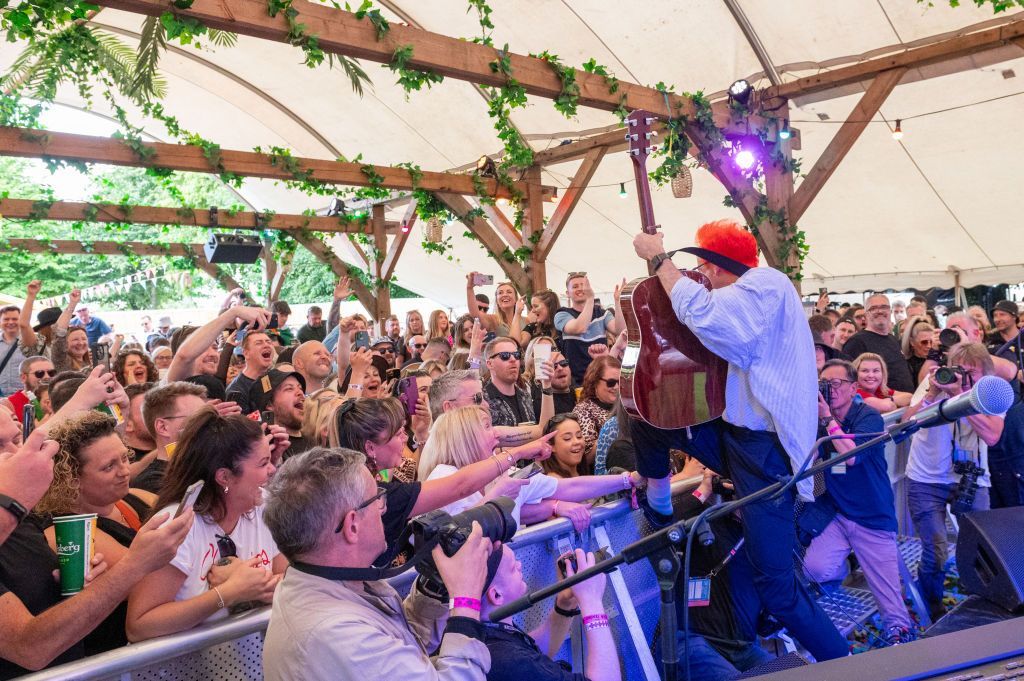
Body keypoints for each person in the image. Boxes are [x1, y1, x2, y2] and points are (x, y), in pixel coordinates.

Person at [632, 219, 849, 661]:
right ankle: (658, 507)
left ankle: (848, 663)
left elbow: (711, 318)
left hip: (765, 455)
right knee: (646, 414)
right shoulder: (756, 294)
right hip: (736, 437)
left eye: (705, 270)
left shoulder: (766, 284)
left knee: (778, 586)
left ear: (717, 264)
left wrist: (660, 261)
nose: (703, 279)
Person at [262, 446, 494, 681]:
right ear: (352, 525)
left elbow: (401, 646)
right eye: (377, 499)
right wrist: (466, 602)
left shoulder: (323, 581)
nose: (384, 509)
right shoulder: (338, 635)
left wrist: (434, 586)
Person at [0, 427, 192, 677]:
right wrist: (135, 565)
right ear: (73, 479)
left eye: (17, 440)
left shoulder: (23, 524)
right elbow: (30, 649)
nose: (16, 453)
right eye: (108, 466)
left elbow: (47, 605)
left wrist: (81, 592)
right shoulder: (54, 526)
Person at [126, 408, 289, 641]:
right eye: (263, 463)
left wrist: (259, 586)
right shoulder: (178, 525)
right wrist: (228, 593)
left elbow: (288, 576)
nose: (272, 469)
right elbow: (140, 625)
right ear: (224, 477)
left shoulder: (263, 505)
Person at [329, 397, 553, 565]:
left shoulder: (364, 487)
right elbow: (460, 486)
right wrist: (518, 453)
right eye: (398, 434)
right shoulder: (381, 495)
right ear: (370, 448)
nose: (405, 438)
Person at [805, 360, 914, 645]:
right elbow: (809, 459)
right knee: (813, 569)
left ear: (853, 388)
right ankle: (843, 569)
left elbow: (850, 456)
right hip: (839, 515)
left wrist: (828, 420)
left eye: (835, 384)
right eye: (823, 384)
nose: (828, 390)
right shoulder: (819, 421)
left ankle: (901, 642)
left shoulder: (868, 417)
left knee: (892, 607)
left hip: (871, 517)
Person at [35, 412, 157, 655]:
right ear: (72, 479)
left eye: (124, 458)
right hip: (119, 659)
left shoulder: (133, 497)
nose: (124, 471)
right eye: (109, 466)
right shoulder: (70, 533)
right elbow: (156, 587)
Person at [904, 342, 1005, 621]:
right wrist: (933, 394)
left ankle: (984, 603)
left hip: (972, 478)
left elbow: (992, 435)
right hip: (926, 479)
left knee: (983, 548)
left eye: (970, 372)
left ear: (984, 373)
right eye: (958, 370)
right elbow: (907, 424)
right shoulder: (933, 381)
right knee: (935, 550)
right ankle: (933, 609)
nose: (962, 377)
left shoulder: (989, 390)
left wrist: (962, 396)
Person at [419, 407, 640, 532]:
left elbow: (567, 487)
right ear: (464, 437)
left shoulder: (501, 473)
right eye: (487, 427)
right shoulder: (444, 476)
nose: (497, 433)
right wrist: (500, 494)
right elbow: (461, 535)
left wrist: (628, 479)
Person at [480, 546, 621, 681]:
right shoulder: (507, 661)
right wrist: (592, 601)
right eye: (512, 568)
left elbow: (534, 652)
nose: (520, 564)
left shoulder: (485, 632)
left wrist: (565, 605)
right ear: (497, 595)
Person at [132, 382, 209, 493]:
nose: (209, 424)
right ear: (163, 427)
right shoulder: (152, 482)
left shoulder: (205, 465)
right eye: (198, 418)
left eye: (209, 417)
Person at [554, 273, 622, 384]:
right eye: (575, 286)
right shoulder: (562, 314)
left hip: (601, 377)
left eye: (584, 285)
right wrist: (590, 298)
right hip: (576, 380)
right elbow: (580, 328)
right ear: (567, 293)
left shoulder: (602, 313)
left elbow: (618, 329)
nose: (581, 289)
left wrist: (618, 301)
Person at [841, 294, 915, 393]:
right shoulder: (856, 342)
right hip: (882, 405)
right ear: (866, 314)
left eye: (884, 307)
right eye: (873, 308)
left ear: (890, 311)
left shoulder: (893, 339)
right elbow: (849, 381)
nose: (880, 311)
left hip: (905, 403)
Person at [484, 337, 553, 431]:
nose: (513, 359)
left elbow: (544, 430)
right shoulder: (483, 400)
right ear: (489, 364)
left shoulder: (525, 395)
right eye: (505, 355)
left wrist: (547, 384)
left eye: (516, 355)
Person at [248, 369, 312, 460]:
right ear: (269, 404)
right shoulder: (265, 448)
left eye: (300, 388)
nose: (300, 393)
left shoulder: (316, 441)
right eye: (289, 388)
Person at [571, 356, 620, 466]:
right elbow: (585, 458)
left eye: (621, 381)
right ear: (595, 382)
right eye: (611, 382)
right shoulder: (584, 410)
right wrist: (608, 434)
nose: (617, 387)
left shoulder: (628, 406)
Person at [523, 338, 576, 417]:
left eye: (564, 363)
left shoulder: (574, 387)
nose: (560, 368)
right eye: (541, 351)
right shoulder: (528, 386)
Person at [226, 330, 276, 413]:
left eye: (268, 342)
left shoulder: (271, 379)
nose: (266, 345)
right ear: (246, 353)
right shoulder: (236, 391)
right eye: (259, 343)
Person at [466, 274, 524, 341]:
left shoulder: (526, 320)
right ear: (497, 301)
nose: (505, 295)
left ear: (516, 299)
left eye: (509, 292)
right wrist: (469, 288)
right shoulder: (493, 320)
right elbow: (476, 315)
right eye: (500, 293)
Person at [1, 357, 54, 421]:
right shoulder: (8, 404)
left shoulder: (62, 398)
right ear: (23, 378)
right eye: (39, 373)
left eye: (51, 373)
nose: (47, 377)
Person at [0, 305, 28, 397]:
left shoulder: (29, 342)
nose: (11, 322)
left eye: (15, 319)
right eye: (6, 319)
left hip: (23, 396)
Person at [901, 316, 935, 389]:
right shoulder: (906, 366)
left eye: (932, 342)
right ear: (912, 342)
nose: (929, 346)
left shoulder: (940, 360)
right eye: (924, 342)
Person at [986, 300, 1021, 365]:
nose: (997, 319)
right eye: (995, 315)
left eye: (1002, 314)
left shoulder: (1022, 336)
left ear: (1014, 316)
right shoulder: (989, 340)